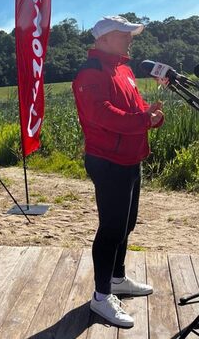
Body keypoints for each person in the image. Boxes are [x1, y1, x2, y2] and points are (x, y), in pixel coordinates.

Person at [72, 16, 164, 328]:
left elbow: (134, 107)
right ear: (107, 38)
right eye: (125, 34)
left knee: (127, 225)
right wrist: (142, 121)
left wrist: (150, 115)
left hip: (131, 156)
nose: (130, 39)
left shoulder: (124, 70)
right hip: (107, 160)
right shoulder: (90, 73)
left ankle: (117, 278)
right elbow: (103, 116)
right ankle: (101, 297)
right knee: (111, 228)